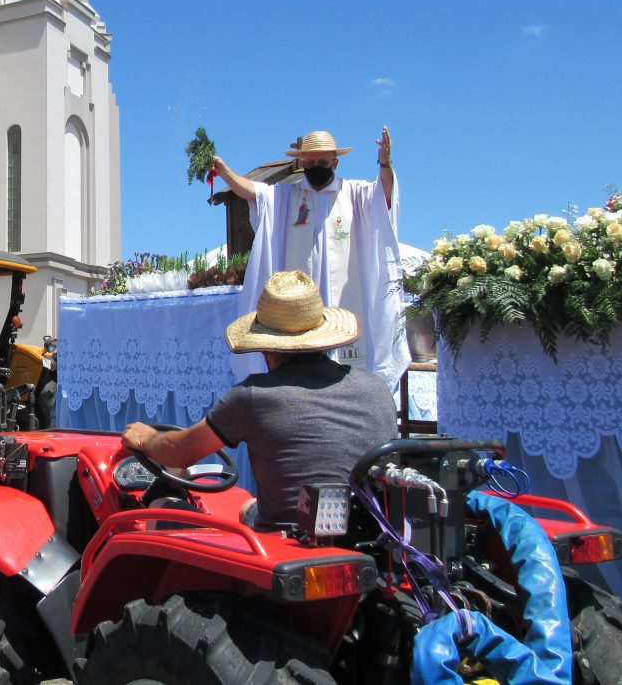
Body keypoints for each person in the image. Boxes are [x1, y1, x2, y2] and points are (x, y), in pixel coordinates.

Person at [122, 271, 397, 529]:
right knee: (247, 507)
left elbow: (178, 453)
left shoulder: (254, 396)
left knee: (160, 507)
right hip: (370, 534)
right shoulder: (375, 387)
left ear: (266, 346)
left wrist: (147, 439)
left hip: (292, 540)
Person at [211, 128, 408, 390]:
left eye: (322, 162)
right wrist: (224, 171)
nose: (316, 167)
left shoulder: (354, 193)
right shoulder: (287, 196)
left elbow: (384, 195)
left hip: (345, 299)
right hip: (301, 303)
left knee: (347, 366)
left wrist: (384, 163)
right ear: (303, 162)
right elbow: (252, 192)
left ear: (335, 163)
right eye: (311, 162)